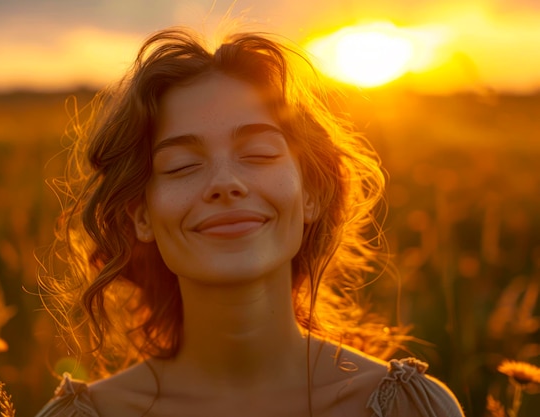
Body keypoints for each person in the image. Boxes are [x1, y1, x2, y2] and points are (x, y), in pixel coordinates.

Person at [35, 26, 465, 417]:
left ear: (311, 194)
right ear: (141, 216)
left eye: (259, 154)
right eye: (182, 165)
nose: (226, 184)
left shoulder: (411, 408)